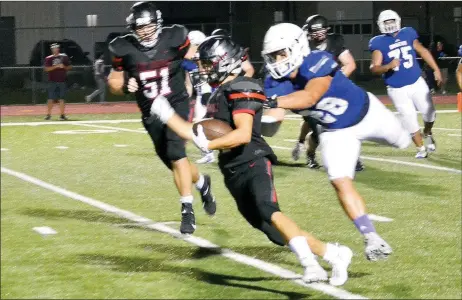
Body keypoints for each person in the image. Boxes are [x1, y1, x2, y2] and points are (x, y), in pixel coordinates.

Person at [150, 35, 353, 286]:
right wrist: (166, 114)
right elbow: (194, 132)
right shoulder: (218, 94)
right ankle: (335, 254)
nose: (202, 69)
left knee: (269, 210)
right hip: (232, 168)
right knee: (274, 232)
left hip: (253, 159)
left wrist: (211, 144)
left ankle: (310, 264)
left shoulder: (243, 86)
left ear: (223, 62)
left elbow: (243, 134)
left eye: (206, 63)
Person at [261, 22, 411, 261]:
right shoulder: (274, 81)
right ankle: (372, 237)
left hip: (368, 113)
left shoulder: (316, 60)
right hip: (335, 131)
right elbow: (272, 125)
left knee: (404, 141)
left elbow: (310, 95)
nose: (276, 60)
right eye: (271, 56)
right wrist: (253, 115)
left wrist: (273, 102)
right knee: (340, 181)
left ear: (297, 47)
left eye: (281, 53)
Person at [107, 1, 216, 235]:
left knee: (177, 152)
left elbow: (196, 55)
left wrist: (211, 64)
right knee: (173, 161)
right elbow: (114, 81)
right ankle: (202, 183)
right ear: (132, 28)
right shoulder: (122, 48)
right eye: (140, 27)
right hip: (150, 112)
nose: (145, 31)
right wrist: (125, 84)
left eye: (149, 26)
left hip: (175, 103)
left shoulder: (175, 36)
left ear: (158, 23)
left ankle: (187, 209)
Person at [292, 14, 364, 171]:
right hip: (311, 92)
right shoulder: (303, 47)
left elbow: (350, 64)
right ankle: (310, 154)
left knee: (347, 123)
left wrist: (334, 82)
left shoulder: (334, 42)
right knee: (318, 131)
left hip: (333, 90)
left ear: (327, 30)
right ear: (308, 32)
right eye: (314, 31)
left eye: (321, 30)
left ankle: (353, 158)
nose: (318, 34)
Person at [369, 10, 442, 159]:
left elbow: (422, 51)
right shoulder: (378, 42)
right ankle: (421, 148)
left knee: (430, 113)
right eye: (386, 22)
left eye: (391, 21)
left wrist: (436, 69)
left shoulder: (408, 33)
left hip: (416, 82)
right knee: (409, 119)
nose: (390, 25)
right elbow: (374, 68)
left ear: (397, 20)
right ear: (381, 25)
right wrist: (388, 66)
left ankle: (427, 132)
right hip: (397, 89)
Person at [182, 30, 216, 164]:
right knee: (197, 128)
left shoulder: (207, 60)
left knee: (202, 126)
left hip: (212, 95)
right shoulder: (188, 63)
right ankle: (208, 153)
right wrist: (185, 97)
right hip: (201, 96)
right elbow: (189, 83)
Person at [44, 43, 72, 120]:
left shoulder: (64, 57)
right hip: (52, 81)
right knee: (50, 98)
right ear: (51, 49)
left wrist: (64, 66)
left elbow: (69, 67)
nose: (55, 49)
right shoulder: (49, 58)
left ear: (58, 49)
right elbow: (46, 69)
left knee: (62, 99)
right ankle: (48, 115)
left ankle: (62, 115)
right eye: (53, 48)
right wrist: (56, 66)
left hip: (62, 81)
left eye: (56, 48)